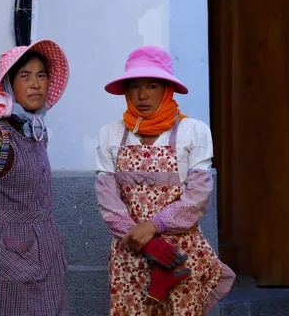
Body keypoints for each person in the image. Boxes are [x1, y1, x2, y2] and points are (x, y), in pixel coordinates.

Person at [95, 45, 235, 315]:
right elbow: (108, 198)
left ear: (167, 89)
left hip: (178, 256)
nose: (142, 95)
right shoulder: (110, 135)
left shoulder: (192, 132)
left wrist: (154, 226)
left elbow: (198, 196)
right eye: (134, 86)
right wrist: (146, 241)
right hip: (131, 254)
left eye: (152, 86)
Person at [0, 39, 70, 316]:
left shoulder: (36, 129)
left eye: (41, 75)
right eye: (25, 76)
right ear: (8, 85)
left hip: (47, 246)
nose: (36, 84)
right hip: (13, 251)